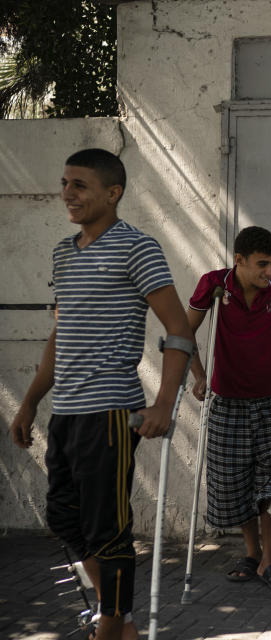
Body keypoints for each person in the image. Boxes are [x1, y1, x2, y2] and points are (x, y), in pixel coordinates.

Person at [9, 148, 192, 640]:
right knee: (65, 518)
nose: (67, 193)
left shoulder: (138, 248)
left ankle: (112, 629)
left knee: (107, 529)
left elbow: (179, 331)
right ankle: (122, 621)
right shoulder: (63, 252)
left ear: (113, 193)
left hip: (111, 410)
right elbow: (59, 334)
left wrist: (163, 404)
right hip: (66, 411)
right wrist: (30, 401)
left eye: (80, 185)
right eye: (65, 182)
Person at [187, 226, 271, 591]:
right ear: (239, 260)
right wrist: (198, 376)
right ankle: (251, 553)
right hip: (228, 403)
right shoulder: (213, 286)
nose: (269, 272)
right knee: (235, 484)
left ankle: (270, 561)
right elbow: (183, 334)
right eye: (262, 264)